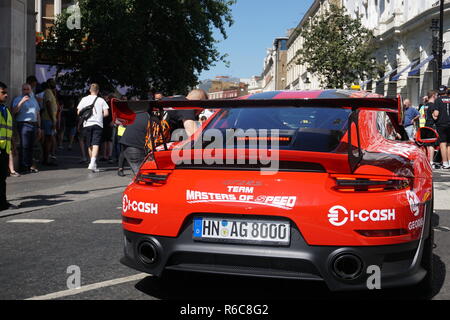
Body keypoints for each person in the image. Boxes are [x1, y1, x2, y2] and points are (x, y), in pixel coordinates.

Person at [77, 83, 109, 172]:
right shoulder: (101, 100)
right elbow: (106, 113)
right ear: (98, 91)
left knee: (89, 144)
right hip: (97, 123)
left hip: (87, 123)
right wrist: (98, 115)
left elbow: (79, 112)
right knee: (96, 143)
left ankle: (93, 164)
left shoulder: (84, 99)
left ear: (90, 90)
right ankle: (92, 163)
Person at [12, 83, 41, 173]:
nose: (26, 91)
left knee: (31, 146)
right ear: (22, 90)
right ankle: (23, 166)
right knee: (24, 146)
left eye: (27, 89)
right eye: (24, 89)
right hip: (23, 124)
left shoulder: (34, 100)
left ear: (30, 90)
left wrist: (39, 127)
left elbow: (37, 114)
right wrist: (22, 102)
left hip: (33, 124)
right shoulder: (18, 99)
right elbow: (14, 111)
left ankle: (29, 165)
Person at [0, 81, 19, 210]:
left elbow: (8, 130)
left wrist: (12, 146)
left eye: (6, 92)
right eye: (3, 92)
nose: (6, 95)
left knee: (2, 178)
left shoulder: (5, 109)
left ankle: (2, 203)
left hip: (4, 149)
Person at [431, 85, 450, 169]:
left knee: (443, 144)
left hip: (441, 124)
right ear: (446, 91)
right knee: (449, 144)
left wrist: (432, 115)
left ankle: (445, 163)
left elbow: (436, 114)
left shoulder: (438, 100)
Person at [41, 79, 58, 166]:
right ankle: (46, 159)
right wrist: (52, 119)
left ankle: (47, 158)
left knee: (50, 139)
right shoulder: (47, 91)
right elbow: (48, 104)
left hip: (51, 119)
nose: (54, 84)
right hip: (48, 119)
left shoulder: (51, 92)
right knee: (48, 139)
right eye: (52, 83)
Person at [424, 90, 439, 168]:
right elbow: (435, 116)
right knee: (432, 144)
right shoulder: (432, 105)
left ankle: (427, 160)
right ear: (433, 96)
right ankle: (431, 161)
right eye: (436, 95)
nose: (436, 97)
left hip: (426, 125)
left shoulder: (426, 105)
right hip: (431, 125)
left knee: (427, 144)